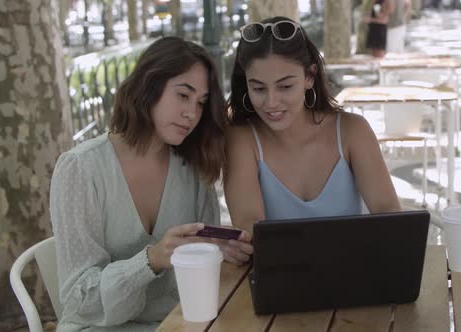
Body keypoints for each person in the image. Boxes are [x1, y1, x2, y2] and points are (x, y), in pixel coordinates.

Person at [49, 37, 253, 332]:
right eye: (183, 95)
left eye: (201, 103)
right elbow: (79, 302)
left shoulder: (194, 169)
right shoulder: (80, 169)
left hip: (178, 324)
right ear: (148, 87)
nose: (191, 114)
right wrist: (152, 260)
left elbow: (200, 277)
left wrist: (219, 250)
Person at [224, 17, 402, 234]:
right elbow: (250, 229)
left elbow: (390, 215)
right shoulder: (241, 139)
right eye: (259, 89)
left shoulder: (353, 131)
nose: (271, 102)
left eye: (285, 86)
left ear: (309, 76)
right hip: (278, 269)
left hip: (355, 267)